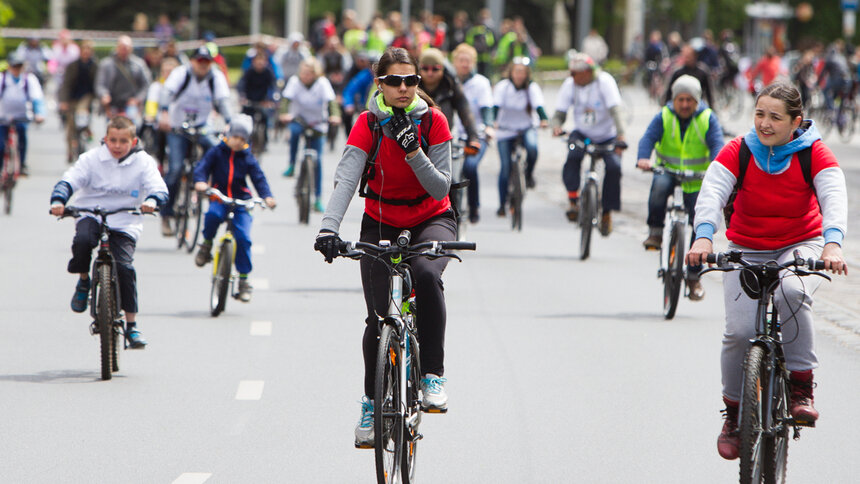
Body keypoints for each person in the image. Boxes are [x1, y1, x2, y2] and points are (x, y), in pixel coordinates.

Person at [685, 81, 848, 460]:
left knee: (791, 292)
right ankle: (735, 416)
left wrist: (833, 243)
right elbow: (712, 192)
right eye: (759, 114)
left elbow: (833, 195)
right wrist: (704, 238)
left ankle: (801, 388)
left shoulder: (813, 153)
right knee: (739, 333)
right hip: (746, 248)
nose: (764, 123)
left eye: (775, 117)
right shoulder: (739, 150)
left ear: (796, 121)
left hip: (801, 245)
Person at [313, 46, 456, 448]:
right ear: (380, 84)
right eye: (395, 81)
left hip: (432, 217)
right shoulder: (368, 124)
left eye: (411, 81)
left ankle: (432, 375)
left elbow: (441, 186)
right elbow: (346, 179)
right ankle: (372, 405)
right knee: (377, 320)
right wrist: (329, 229)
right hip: (380, 218)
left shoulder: (434, 122)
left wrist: (413, 152)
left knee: (427, 276)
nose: (404, 88)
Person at [49, 116, 168, 349]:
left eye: (123, 141)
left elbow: (158, 187)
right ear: (105, 139)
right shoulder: (91, 159)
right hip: (91, 213)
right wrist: (58, 201)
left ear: (133, 141)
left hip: (125, 220)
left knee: (124, 267)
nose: (117, 145)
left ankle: (132, 326)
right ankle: (84, 280)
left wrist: (153, 200)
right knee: (83, 241)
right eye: (112, 140)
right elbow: (69, 180)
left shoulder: (143, 161)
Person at [636, 75, 724, 300]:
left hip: (696, 178)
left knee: (700, 221)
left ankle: (694, 278)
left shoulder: (707, 118)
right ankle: (655, 232)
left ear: (697, 101)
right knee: (658, 188)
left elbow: (717, 146)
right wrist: (643, 158)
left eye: (690, 100)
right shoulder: (664, 116)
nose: (684, 105)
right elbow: (647, 139)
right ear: (673, 99)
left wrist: (716, 168)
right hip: (668, 170)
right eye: (680, 99)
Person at [193, 114, 276, 302]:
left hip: (241, 201)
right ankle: (206, 245)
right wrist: (200, 182)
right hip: (220, 197)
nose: (238, 142)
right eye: (235, 137)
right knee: (212, 216)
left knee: (244, 238)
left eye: (243, 138)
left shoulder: (247, 157)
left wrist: (267, 196)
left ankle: (244, 280)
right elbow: (202, 168)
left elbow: (258, 177)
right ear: (228, 135)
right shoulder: (216, 152)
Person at [157, 45, 232, 236]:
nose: (203, 66)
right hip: (177, 126)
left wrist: (229, 122)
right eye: (200, 62)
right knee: (174, 169)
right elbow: (167, 93)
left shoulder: (216, 77)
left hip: (202, 125)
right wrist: (164, 113)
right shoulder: (181, 74)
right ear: (192, 61)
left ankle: (212, 190)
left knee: (218, 149)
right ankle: (167, 214)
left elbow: (223, 102)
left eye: (207, 62)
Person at [552, 53, 626, 234]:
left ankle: (607, 212)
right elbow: (560, 112)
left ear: (586, 72)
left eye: (574, 73)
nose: (571, 77)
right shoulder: (571, 85)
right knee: (573, 155)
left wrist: (621, 135)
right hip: (582, 133)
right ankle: (572, 200)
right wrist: (556, 126)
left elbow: (616, 111)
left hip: (606, 135)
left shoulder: (604, 81)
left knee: (614, 167)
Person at [278, 57, 340, 212]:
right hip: (299, 120)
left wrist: (334, 116)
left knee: (318, 160)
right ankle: (292, 164)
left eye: (309, 74)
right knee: (294, 132)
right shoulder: (294, 82)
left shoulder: (322, 83)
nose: (306, 76)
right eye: (304, 73)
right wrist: (284, 113)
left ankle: (317, 198)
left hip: (317, 123)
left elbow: (331, 102)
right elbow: (286, 99)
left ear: (316, 74)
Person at [493, 57, 548, 216]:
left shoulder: (532, 88)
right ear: (511, 72)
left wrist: (544, 119)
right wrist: (493, 122)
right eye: (517, 71)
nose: (519, 75)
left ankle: (529, 174)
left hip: (526, 127)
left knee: (532, 148)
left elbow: (539, 107)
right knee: (505, 168)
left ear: (527, 74)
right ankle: (502, 204)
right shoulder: (503, 87)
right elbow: (495, 107)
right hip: (505, 129)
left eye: (523, 72)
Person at [452, 43, 495, 223]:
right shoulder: (450, 81)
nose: (464, 64)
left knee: (470, 167)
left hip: (476, 134)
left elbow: (487, 109)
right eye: (461, 60)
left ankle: (474, 205)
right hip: (454, 135)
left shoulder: (481, 83)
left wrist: (488, 126)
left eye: (468, 61)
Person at [0, 51, 46, 177]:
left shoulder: (29, 79)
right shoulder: (2, 79)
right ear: (9, 66)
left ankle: (22, 164)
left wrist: (39, 114)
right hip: (3, 116)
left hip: (22, 115)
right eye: (14, 66)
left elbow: (37, 99)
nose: (16, 69)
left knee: (22, 135)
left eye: (19, 66)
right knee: (1, 143)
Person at [95, 36, 151, 123]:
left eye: (127, 47)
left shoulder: (139, 64)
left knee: (131, 129)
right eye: (122, 47)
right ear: (117, 47)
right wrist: (104, 95)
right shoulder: (106, 64)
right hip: (112, 104)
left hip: (130, 104)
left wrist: (137, 99)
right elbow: (100, 84)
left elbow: (146, 84)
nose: (124, 50)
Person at [59, 40, 98, 164]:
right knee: (71, 127)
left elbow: (98, 83)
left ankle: (87, 129)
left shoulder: (95, 65)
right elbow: (66, 84)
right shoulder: (73, 65)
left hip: (87, 96)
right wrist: (64, 101)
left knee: (83, 111)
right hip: (73, 97)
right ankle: (70, 151)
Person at [663, 45, 715, 110]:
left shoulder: (702, 72)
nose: (687, 59)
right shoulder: (678, 73)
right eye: (685, 56)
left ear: (695, 56)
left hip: (697, 106)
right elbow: (669, 92)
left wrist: (712, 108)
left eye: (689, 56)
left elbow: (709, 92)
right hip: (680, 108)